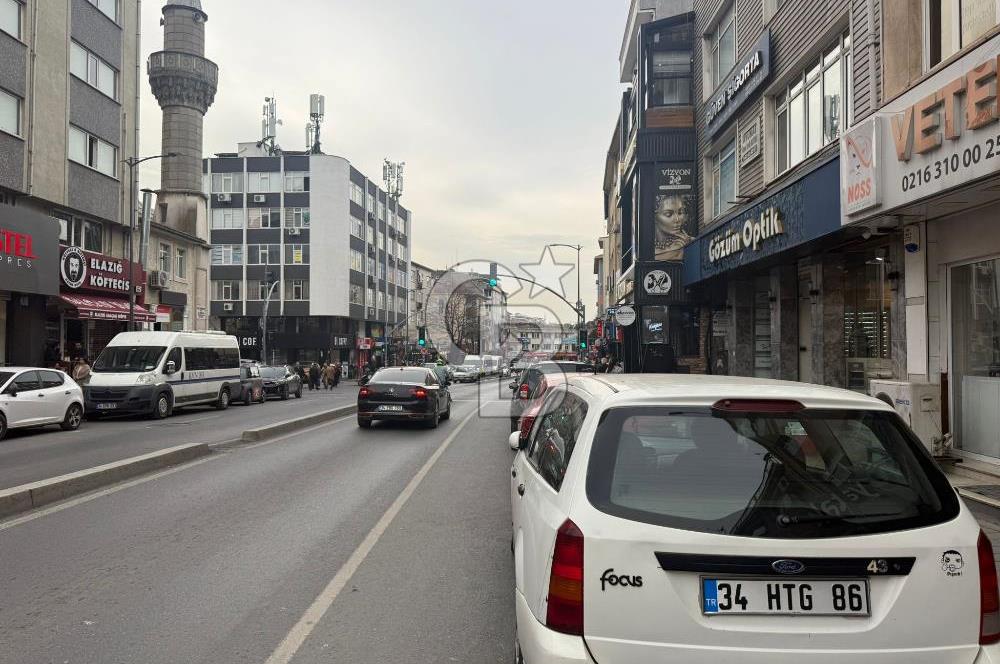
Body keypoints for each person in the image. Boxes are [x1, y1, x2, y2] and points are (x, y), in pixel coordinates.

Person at [654, 193, 694, 261]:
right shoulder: (645, 247)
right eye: (668, 214)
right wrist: (672, 250)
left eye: (680, 212)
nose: (677, 219)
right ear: (655, 217)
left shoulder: (691, 241)